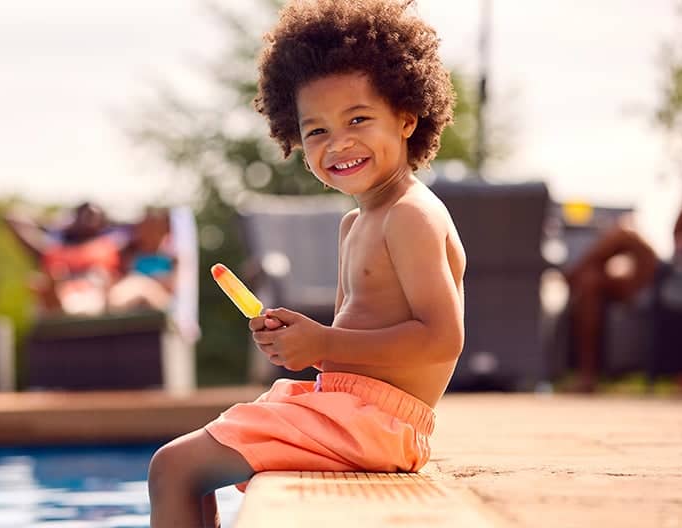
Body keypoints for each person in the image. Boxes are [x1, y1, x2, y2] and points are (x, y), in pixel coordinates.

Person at [147, 1, 463, 526]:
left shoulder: (410, 216)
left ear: (407, 117)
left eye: (358, 119)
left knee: (173, 468)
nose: (338, 143)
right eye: (316, 130)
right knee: (188, 467)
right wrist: (298, 342)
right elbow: (345, 349)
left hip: (377, 423)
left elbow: (442, 338)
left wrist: (324, 343)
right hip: (350, 407)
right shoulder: (356, 224)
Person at [566, 172, 682, 393]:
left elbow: (681, 245)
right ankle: (587, 377)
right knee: (591, 282)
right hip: (668, 279)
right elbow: (677, 234)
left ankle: (569, 277)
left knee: (625, 232)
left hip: (677, 281)